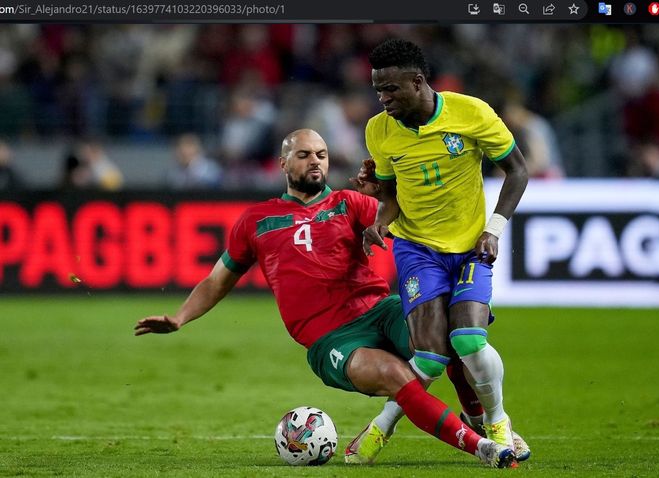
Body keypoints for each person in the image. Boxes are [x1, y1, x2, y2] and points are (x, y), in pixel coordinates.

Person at [135, 129, 516, 468]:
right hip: (331, 338)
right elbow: (217, 280)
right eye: (304, 155)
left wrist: (385, 192)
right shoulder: (256, 220)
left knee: (451, 337)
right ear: (283, 163)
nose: (315, 160)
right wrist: (181, 317)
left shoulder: (350, 203)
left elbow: (410, 224)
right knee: (393, 375)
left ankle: (481, 420)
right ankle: (479, 446)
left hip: (380, 309)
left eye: (321, 154)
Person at [357, 39, 529, 457]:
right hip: (417, 248)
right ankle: (383, 427)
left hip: (472, 246)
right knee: (431, 358)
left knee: (469, 341)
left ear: (417, 82)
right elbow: (391, 194)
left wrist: (495, 228)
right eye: (378, 90)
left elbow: (518, 171)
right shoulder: (378, 130)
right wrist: (379, 223)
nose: (383, 99)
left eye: (391, 89)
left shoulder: (471, 113)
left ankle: (497, 421)